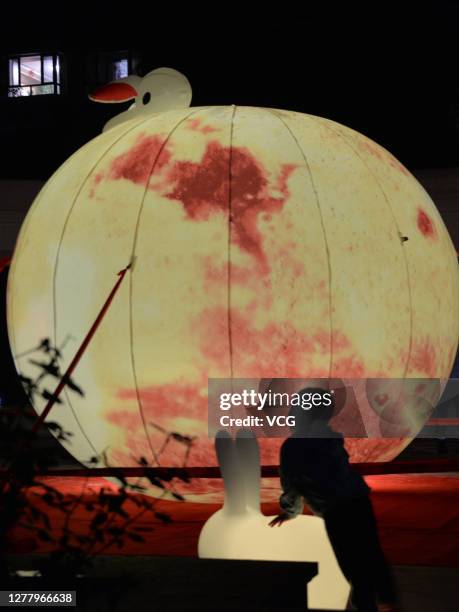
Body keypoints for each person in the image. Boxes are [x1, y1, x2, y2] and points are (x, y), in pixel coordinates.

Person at [269, 387, 398, 612]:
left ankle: (369, 605)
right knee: (371, 553)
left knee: (352, 563)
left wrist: (290, 511)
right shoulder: (329, 440)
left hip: (335, 511)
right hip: (358, 501)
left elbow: (292, 484)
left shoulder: (293, 448)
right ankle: (387, 600)